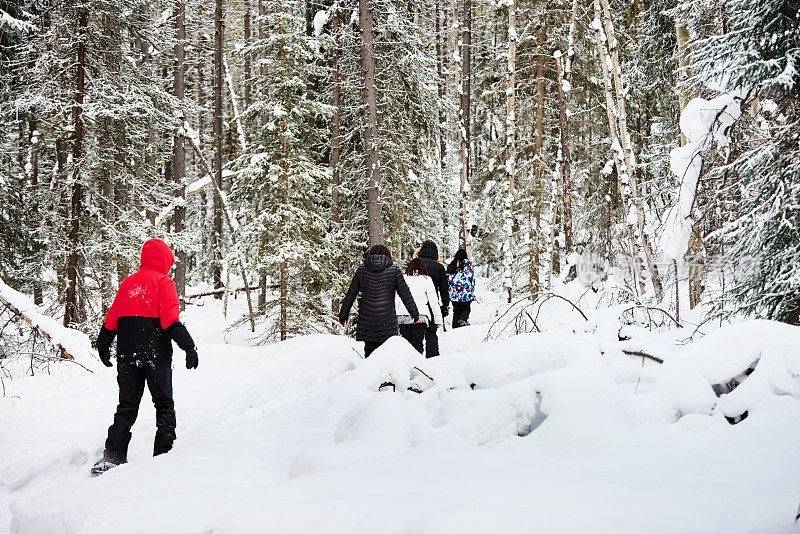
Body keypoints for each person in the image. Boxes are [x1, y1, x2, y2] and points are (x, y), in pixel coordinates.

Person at [92, 239, 198, 476]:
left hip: (127, 354)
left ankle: (112, 456)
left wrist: (103, 344)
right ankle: (164, 456)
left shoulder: (128, 283)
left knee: (127, 406)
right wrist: (189, 348)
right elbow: (171, 322)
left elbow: (112, 319)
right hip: (156, 354)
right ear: (165, 261)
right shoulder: (164, 282)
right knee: (164, 405)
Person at [338, 244, 419, 357]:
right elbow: (405, 294)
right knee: (387, 353)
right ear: (388, 255)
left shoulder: (361, 270)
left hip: (367, 319)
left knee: (369, 353)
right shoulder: (394, 270)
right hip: (387, 320)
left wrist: (343, 315)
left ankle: (369, 373)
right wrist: (414, 313)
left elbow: (351, 294)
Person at [395, 258, 444, 355]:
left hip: (403, 316)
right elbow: (434, 302)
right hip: (420, 316)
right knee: (418, 344)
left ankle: (406, 366)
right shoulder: (427, 279)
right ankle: (417, 365)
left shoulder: (402, 278)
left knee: (405, 344)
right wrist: (438, 320)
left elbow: (396, 298)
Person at [417, 240, 450, 356]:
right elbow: (444, 288)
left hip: (415, 303)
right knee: (431, 333)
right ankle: (433, 359)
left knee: (416, 334)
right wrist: (445, 305)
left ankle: (415, 361)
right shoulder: (439, 267)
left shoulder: (414, 264)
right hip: (432, 304)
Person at [447, 248, 475, 328]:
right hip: (466, 293)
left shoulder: (451, 265)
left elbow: (447, 279)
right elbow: (471, 279)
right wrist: (471, 290)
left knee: (456, 311)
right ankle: (462, 319)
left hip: (454, 294)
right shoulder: (468, 265)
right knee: (466, 309)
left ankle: (455, 328)